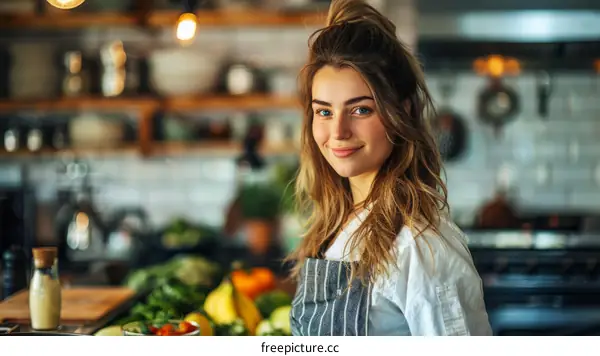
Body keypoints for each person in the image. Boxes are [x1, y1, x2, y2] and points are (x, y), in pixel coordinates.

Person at [285, 0, 493, 336]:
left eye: (361, 110)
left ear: (403, 112)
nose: (337, 132)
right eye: (324, 112)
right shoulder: (336, 225)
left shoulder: (422, 246)